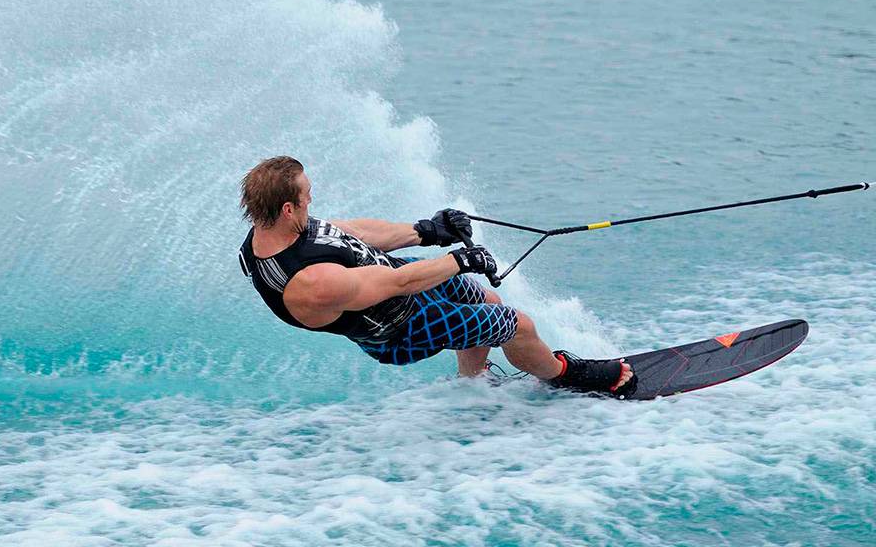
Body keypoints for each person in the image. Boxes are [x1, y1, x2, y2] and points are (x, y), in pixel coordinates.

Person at [238, 156, 635, 397]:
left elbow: (355, 234)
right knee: (517, 326)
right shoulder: (309, 285)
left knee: (489, 304)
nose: (313, 199)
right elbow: (398, 285)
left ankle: (474, 386)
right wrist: (460, 261)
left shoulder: (279, 226)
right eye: (307, 194)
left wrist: (427, 231)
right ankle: (566, 375)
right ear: (288, 207)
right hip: (401, 328)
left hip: (400, 286)